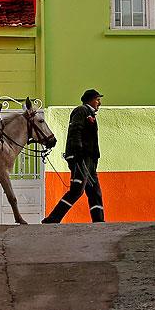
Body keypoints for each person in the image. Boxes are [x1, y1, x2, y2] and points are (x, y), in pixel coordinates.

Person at [42, 89, 105, 223]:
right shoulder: (81, 111)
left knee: (95, 191)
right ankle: (53, 218)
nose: (99, 103)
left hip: (90, 160)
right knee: (77, 191)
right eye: (97, 99)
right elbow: (75, 131)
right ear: (90, 100)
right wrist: (77, 154)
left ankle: (99, 221)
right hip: (81, 158)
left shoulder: (89, 113)